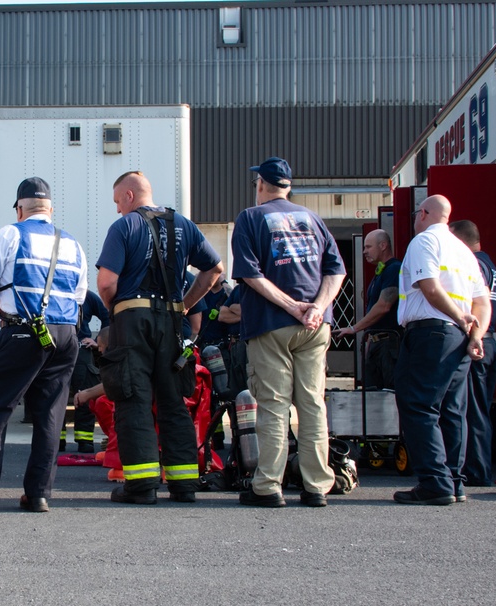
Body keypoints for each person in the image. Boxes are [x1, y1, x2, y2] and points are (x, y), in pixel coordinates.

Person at [0, 176, 88, 513]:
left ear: (20, 208)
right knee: (50, 416)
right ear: (51, 209)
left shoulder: (10, 233)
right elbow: (80, 296)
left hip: (23, 331)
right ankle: (38, 494)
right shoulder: (73, 244)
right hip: (66, 335)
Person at [96, 171, 223, 505]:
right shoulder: (184, 225)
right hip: (170, 321)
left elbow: (106, 283)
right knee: (173, 401)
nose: (117, 211)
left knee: (132, 398)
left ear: (127, 195)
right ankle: (183, 485)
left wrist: (118, 310)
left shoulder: (124, 227)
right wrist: (185, 305)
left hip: (132, 319)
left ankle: (141, 486)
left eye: (116, 203)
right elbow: (214, 270)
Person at [231, 157, 346, 508]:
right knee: (312, 404)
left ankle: (268, 486)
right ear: (289, 186)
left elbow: (251, 274)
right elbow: (336, 270)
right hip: (315, 325)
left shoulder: (250, 218)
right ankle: (316, 487)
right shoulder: (313, 219)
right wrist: (315, 307)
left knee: (274, 406)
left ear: (261, 185)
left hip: (271, 324)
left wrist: (290, 306)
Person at [393, 196, 490, 505]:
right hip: (459, 338)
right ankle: (454, 481)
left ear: (423, 213)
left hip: (431, 333)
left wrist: (458, 317)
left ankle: (435, 482)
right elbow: (482, 303)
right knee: (451, 409)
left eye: (415, 214)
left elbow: (430, 287)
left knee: (419, 406)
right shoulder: (465, 252)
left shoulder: (423, 241)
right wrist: (475, 334)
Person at [449, 219, 496, 488]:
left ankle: (477, 471)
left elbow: (470, 302)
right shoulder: (489, 264)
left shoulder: (474, 265)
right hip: (489, 342)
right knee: (481, 410)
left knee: (473, 412)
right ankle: (479, 467)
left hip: (476, 341)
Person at [335, 229, 401, 389]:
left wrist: (354, 328)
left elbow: (384, 306)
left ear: (383, 245)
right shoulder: (382, 270)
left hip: (389, 345)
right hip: (377, 343)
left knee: (389, 392)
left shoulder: (394, 269)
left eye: (368, 247)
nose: (364, 251)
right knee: (372, 394)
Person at [60, 290, 110, 454]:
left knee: (85, 393)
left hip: (82, 351)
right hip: (57, 351)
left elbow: (107, 316)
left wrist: (98, 342)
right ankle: (56, 440)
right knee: (55, 395)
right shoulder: (51, 293)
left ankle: (85, 440)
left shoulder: (87, 296)